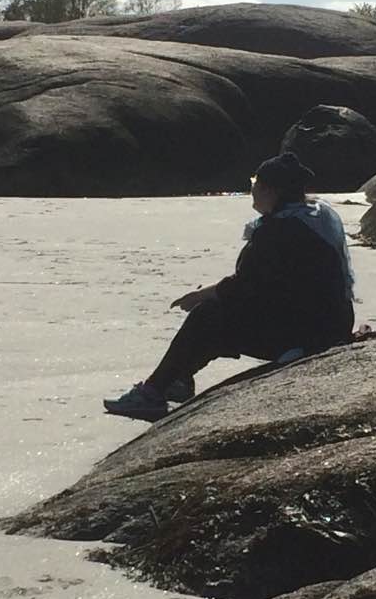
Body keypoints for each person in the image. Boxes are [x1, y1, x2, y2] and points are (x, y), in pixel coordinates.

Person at [103, 151, 355, 422]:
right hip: (330, 324)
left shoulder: (280, 230)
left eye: (255, 183)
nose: (252, 190)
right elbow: (264, 283)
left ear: (271, 190)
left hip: (306, 334)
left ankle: (153, 392)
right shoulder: (315, 216)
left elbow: (245, 287)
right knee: (219, 312)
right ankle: (178, 378)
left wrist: (200, 295)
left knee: (208, 316)